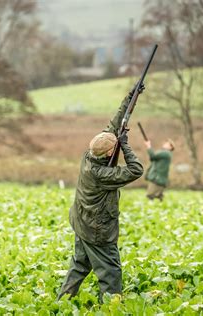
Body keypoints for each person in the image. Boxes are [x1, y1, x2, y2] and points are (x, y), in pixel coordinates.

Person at [57, 86, 144, 302]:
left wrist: (130, 97)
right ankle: (111, 308)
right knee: (111, 272)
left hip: (82, 222)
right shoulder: (101, 173)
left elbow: (113, 127)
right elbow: (136, 170)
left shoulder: (89, 156)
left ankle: (62, 303)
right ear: (109, 153)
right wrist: (125, 146)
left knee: (79, 265)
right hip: (97, 229)